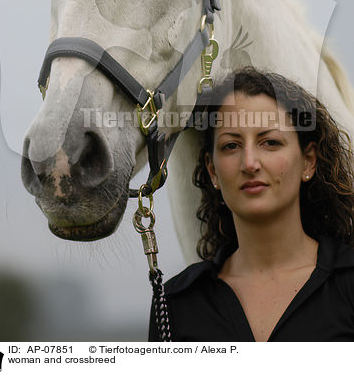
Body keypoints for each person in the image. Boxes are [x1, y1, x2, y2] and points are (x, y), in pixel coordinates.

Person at [148, 67, 354, 341]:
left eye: (270, 142)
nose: (249, 163)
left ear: (309, 161)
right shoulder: (175, 303)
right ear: (212, 170)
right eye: (231, 146)